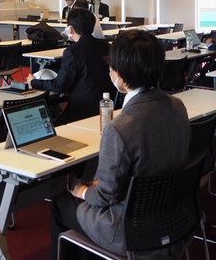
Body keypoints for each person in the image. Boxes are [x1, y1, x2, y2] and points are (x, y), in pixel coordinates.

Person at [49, 29, 191, 260]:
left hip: (129, 230)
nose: (110, 72)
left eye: (111, 67)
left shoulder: (119, 128)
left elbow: (106, 196)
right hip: (171, 217)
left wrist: (83, 190)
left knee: (62, 204)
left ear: (121, 75)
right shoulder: (178, 107)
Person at [26, 8, 113, 125]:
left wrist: (34, 82)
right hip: (107, 109)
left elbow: (60, 85)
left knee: (51, 126)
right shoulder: (106, 46)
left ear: (70, 29)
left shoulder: (73, 51)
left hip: (83, 111)